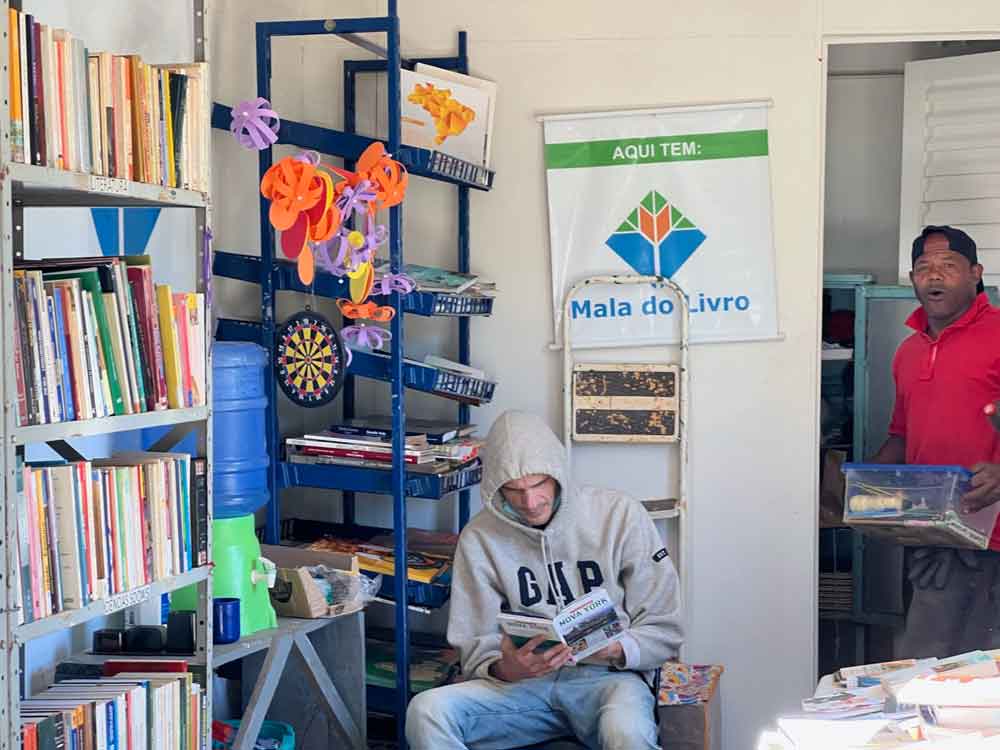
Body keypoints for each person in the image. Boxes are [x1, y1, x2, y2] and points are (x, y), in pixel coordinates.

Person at [406, 410, 683, 750]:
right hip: (522, 687)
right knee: (426, 710)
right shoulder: (479, 537)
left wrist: (615, 648)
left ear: (558, 474)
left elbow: (665, 628)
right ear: (495, 489)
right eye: (514, 490)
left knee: (627, 733)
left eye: (539, 484)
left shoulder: (619, 515)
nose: (531, 502)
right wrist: (506, 668)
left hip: (609, 681)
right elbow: (475, 643)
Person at [872, 225, 1000, 658]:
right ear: (913, 279)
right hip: (933, 536)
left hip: (993, 540)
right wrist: (860, 484)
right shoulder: (907, 352)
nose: (935, 276)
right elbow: (902, 436)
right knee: (927, 668)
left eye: (948, 266)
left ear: (975, 274)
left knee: (982, 679)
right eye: (924, 268)